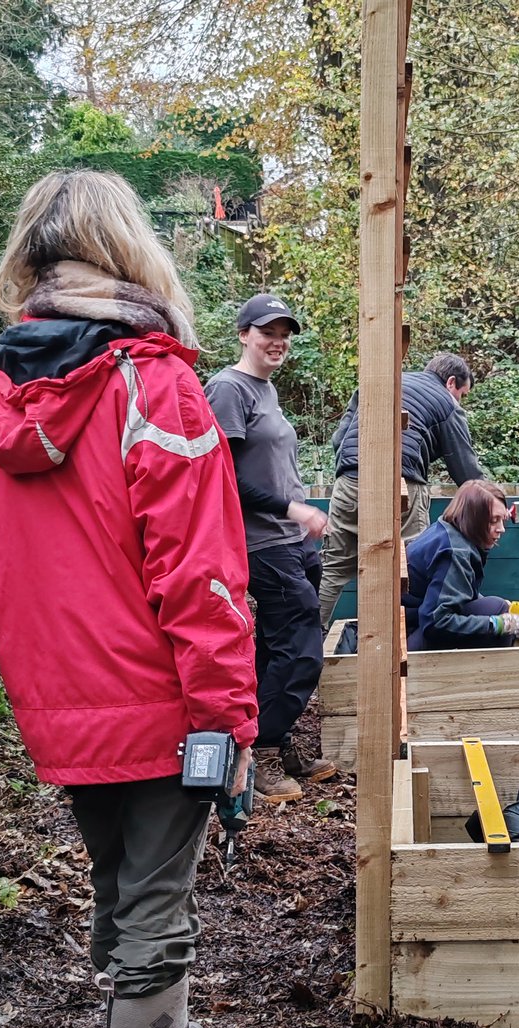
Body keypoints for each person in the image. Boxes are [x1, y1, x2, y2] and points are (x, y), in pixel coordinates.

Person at [0, 170, 261, 1028]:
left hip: (65, 706)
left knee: (121, 887)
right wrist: (226, 717)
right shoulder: (148, 381)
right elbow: (205, 574)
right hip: (159, 702)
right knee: (158, 915)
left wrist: (43, 682)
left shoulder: (0, 398)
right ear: (129, 252)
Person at [205, 294, 335, 802]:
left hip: (293, 539)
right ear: (243, 334)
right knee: (303, 644)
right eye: (267, 332)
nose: (277, 342)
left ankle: (265, 743)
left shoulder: (265, 390)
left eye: (284, 334)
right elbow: (225, 479)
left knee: (277, 646)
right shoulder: (227, 389)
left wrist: (301, 519)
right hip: (260, 540)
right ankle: (262, 748)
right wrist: (293, 509)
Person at [317, 352, 484, 628]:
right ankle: (414, 640)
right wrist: (491, 502)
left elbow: (339, 439)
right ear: (451, 382)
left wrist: (355, 471)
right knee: (417, 567)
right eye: (462, 394)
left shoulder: (379, 382)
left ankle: (309, 646)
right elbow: (465, 471)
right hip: (402, 488)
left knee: (333, 570)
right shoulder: (447, 403)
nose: (460, 400)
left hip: (348, 482)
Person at [402, 479, 519, 651]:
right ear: (473, 519)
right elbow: (435, 623)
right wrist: (497, 624)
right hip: (407, 639)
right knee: (497, 609)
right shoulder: (455, 552)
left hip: (407, 625)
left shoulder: (446, 529)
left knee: (497, 607)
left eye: (503, 519)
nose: (501, 528)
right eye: (494, 520)